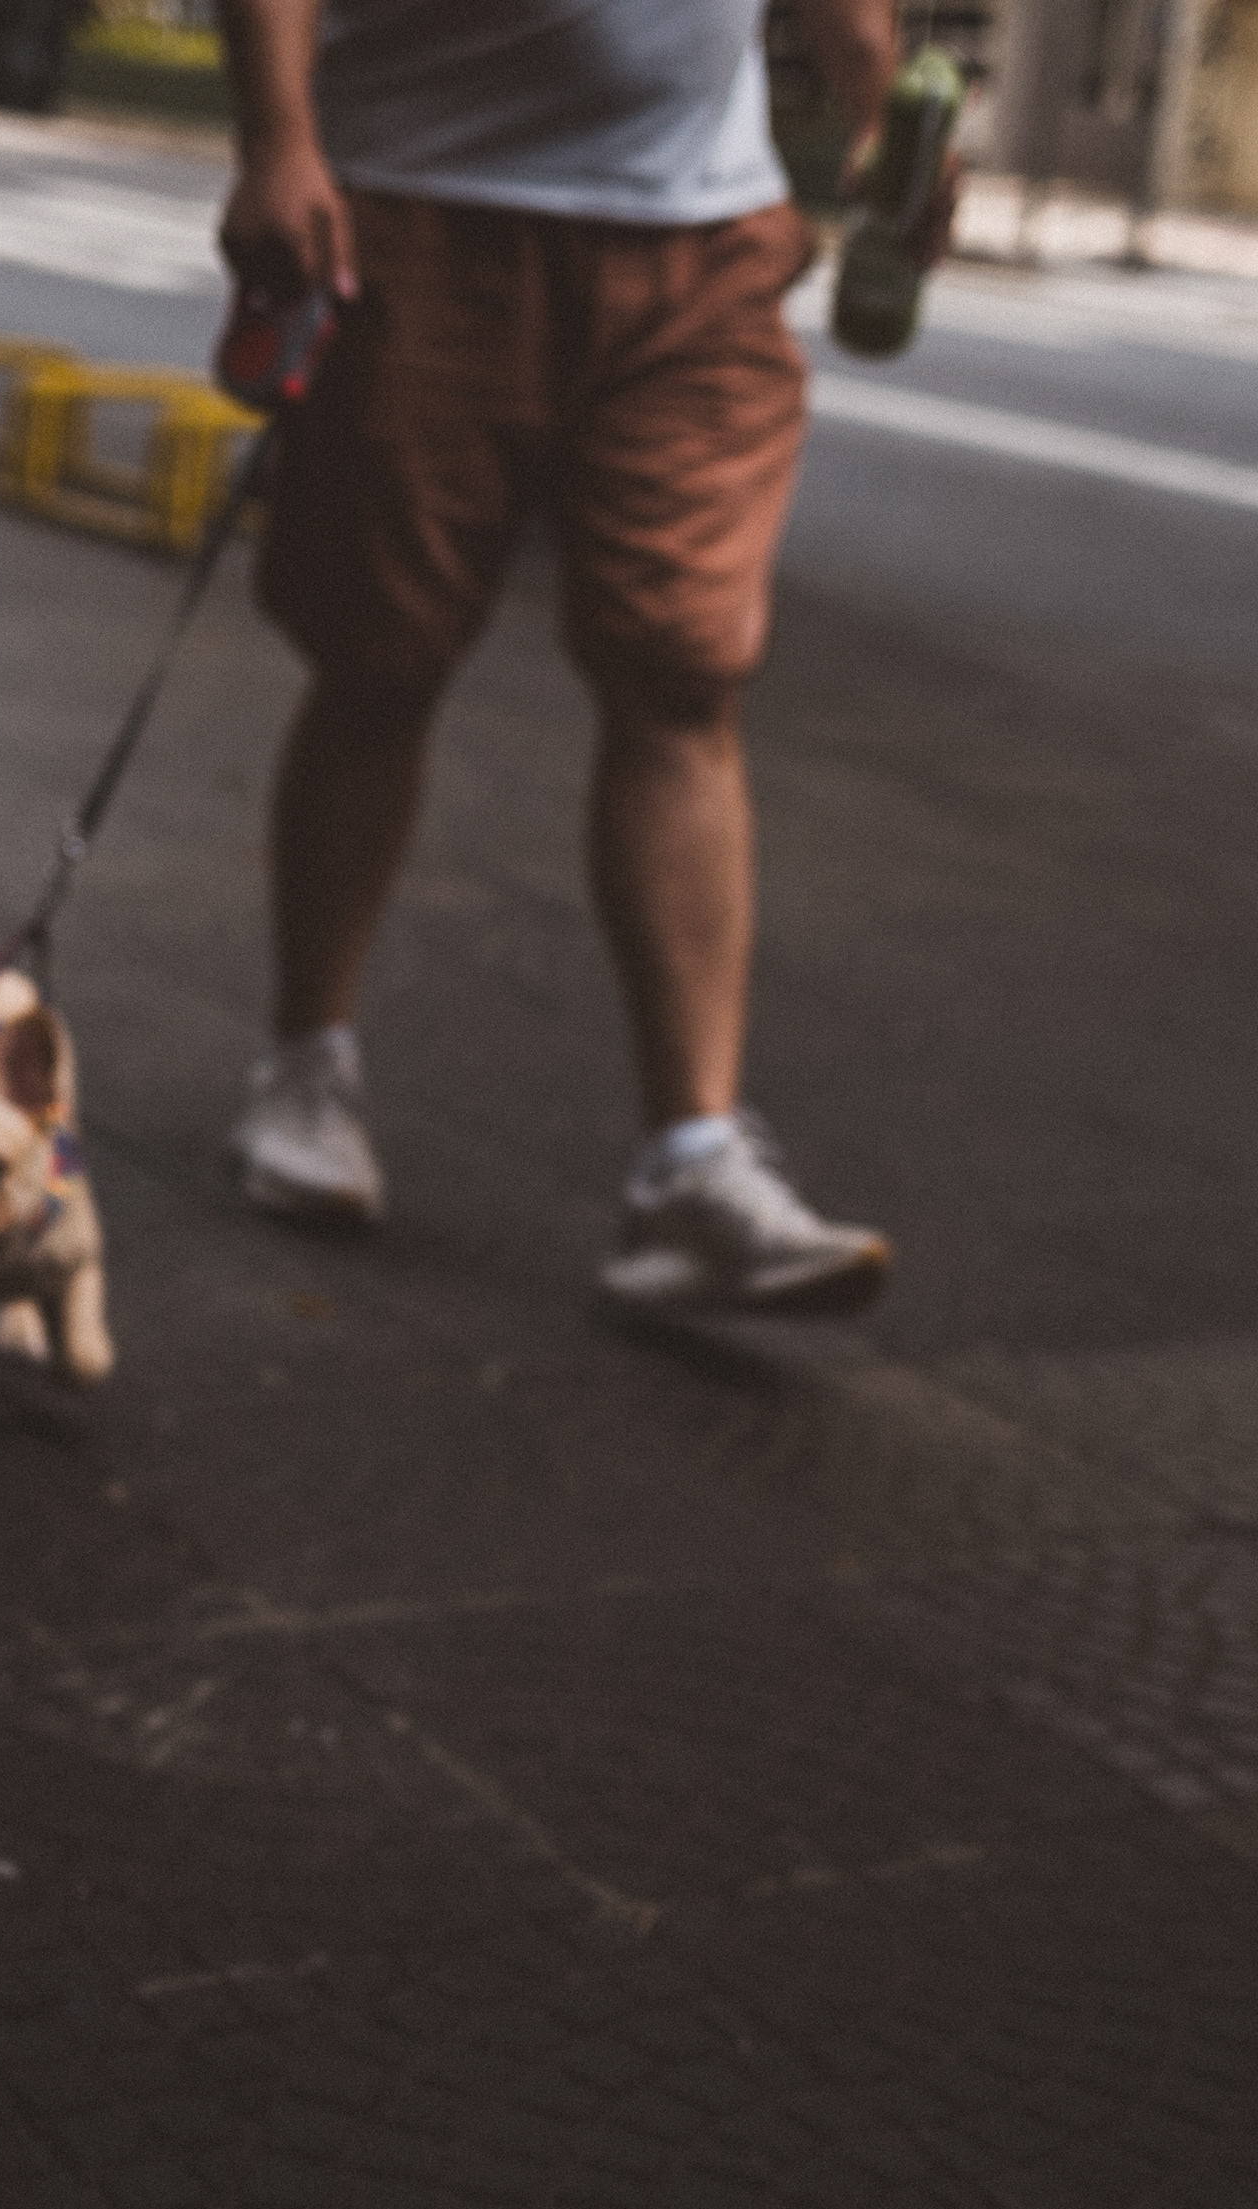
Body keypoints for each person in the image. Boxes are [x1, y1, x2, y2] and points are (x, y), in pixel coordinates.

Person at [214, 0, 938, 1317]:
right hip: (422, 205)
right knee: (381, 662)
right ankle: (306, 1065)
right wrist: (277, 139)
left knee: (684, 672)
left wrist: (886, 113)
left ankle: (692, 1161)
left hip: (704, 239)